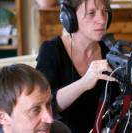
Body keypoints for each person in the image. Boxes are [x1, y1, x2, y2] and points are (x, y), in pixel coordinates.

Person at [36, 0, 120, 132]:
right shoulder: (51, 50)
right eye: (91, 13)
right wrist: (84, 83)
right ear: (70, 18)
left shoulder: (111, 51)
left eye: (105, 12)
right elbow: (44, 105)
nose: (102, 20)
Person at [0, 64, 71, 133]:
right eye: (35, 110)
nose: (49, 119)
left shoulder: (60, 130)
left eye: (48, 104)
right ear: (1, 116)